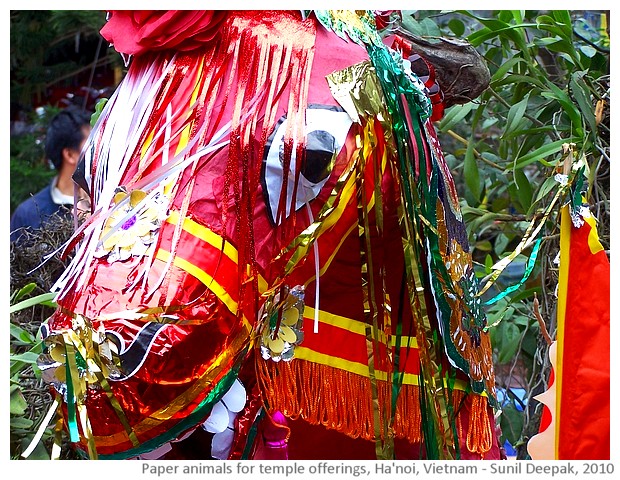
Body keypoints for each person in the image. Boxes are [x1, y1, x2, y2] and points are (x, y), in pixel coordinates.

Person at [10, 107, 91, 243]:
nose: (99, 149)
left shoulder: (108, 202)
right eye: (91, 144)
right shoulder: (28, 215)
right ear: (70, 155)